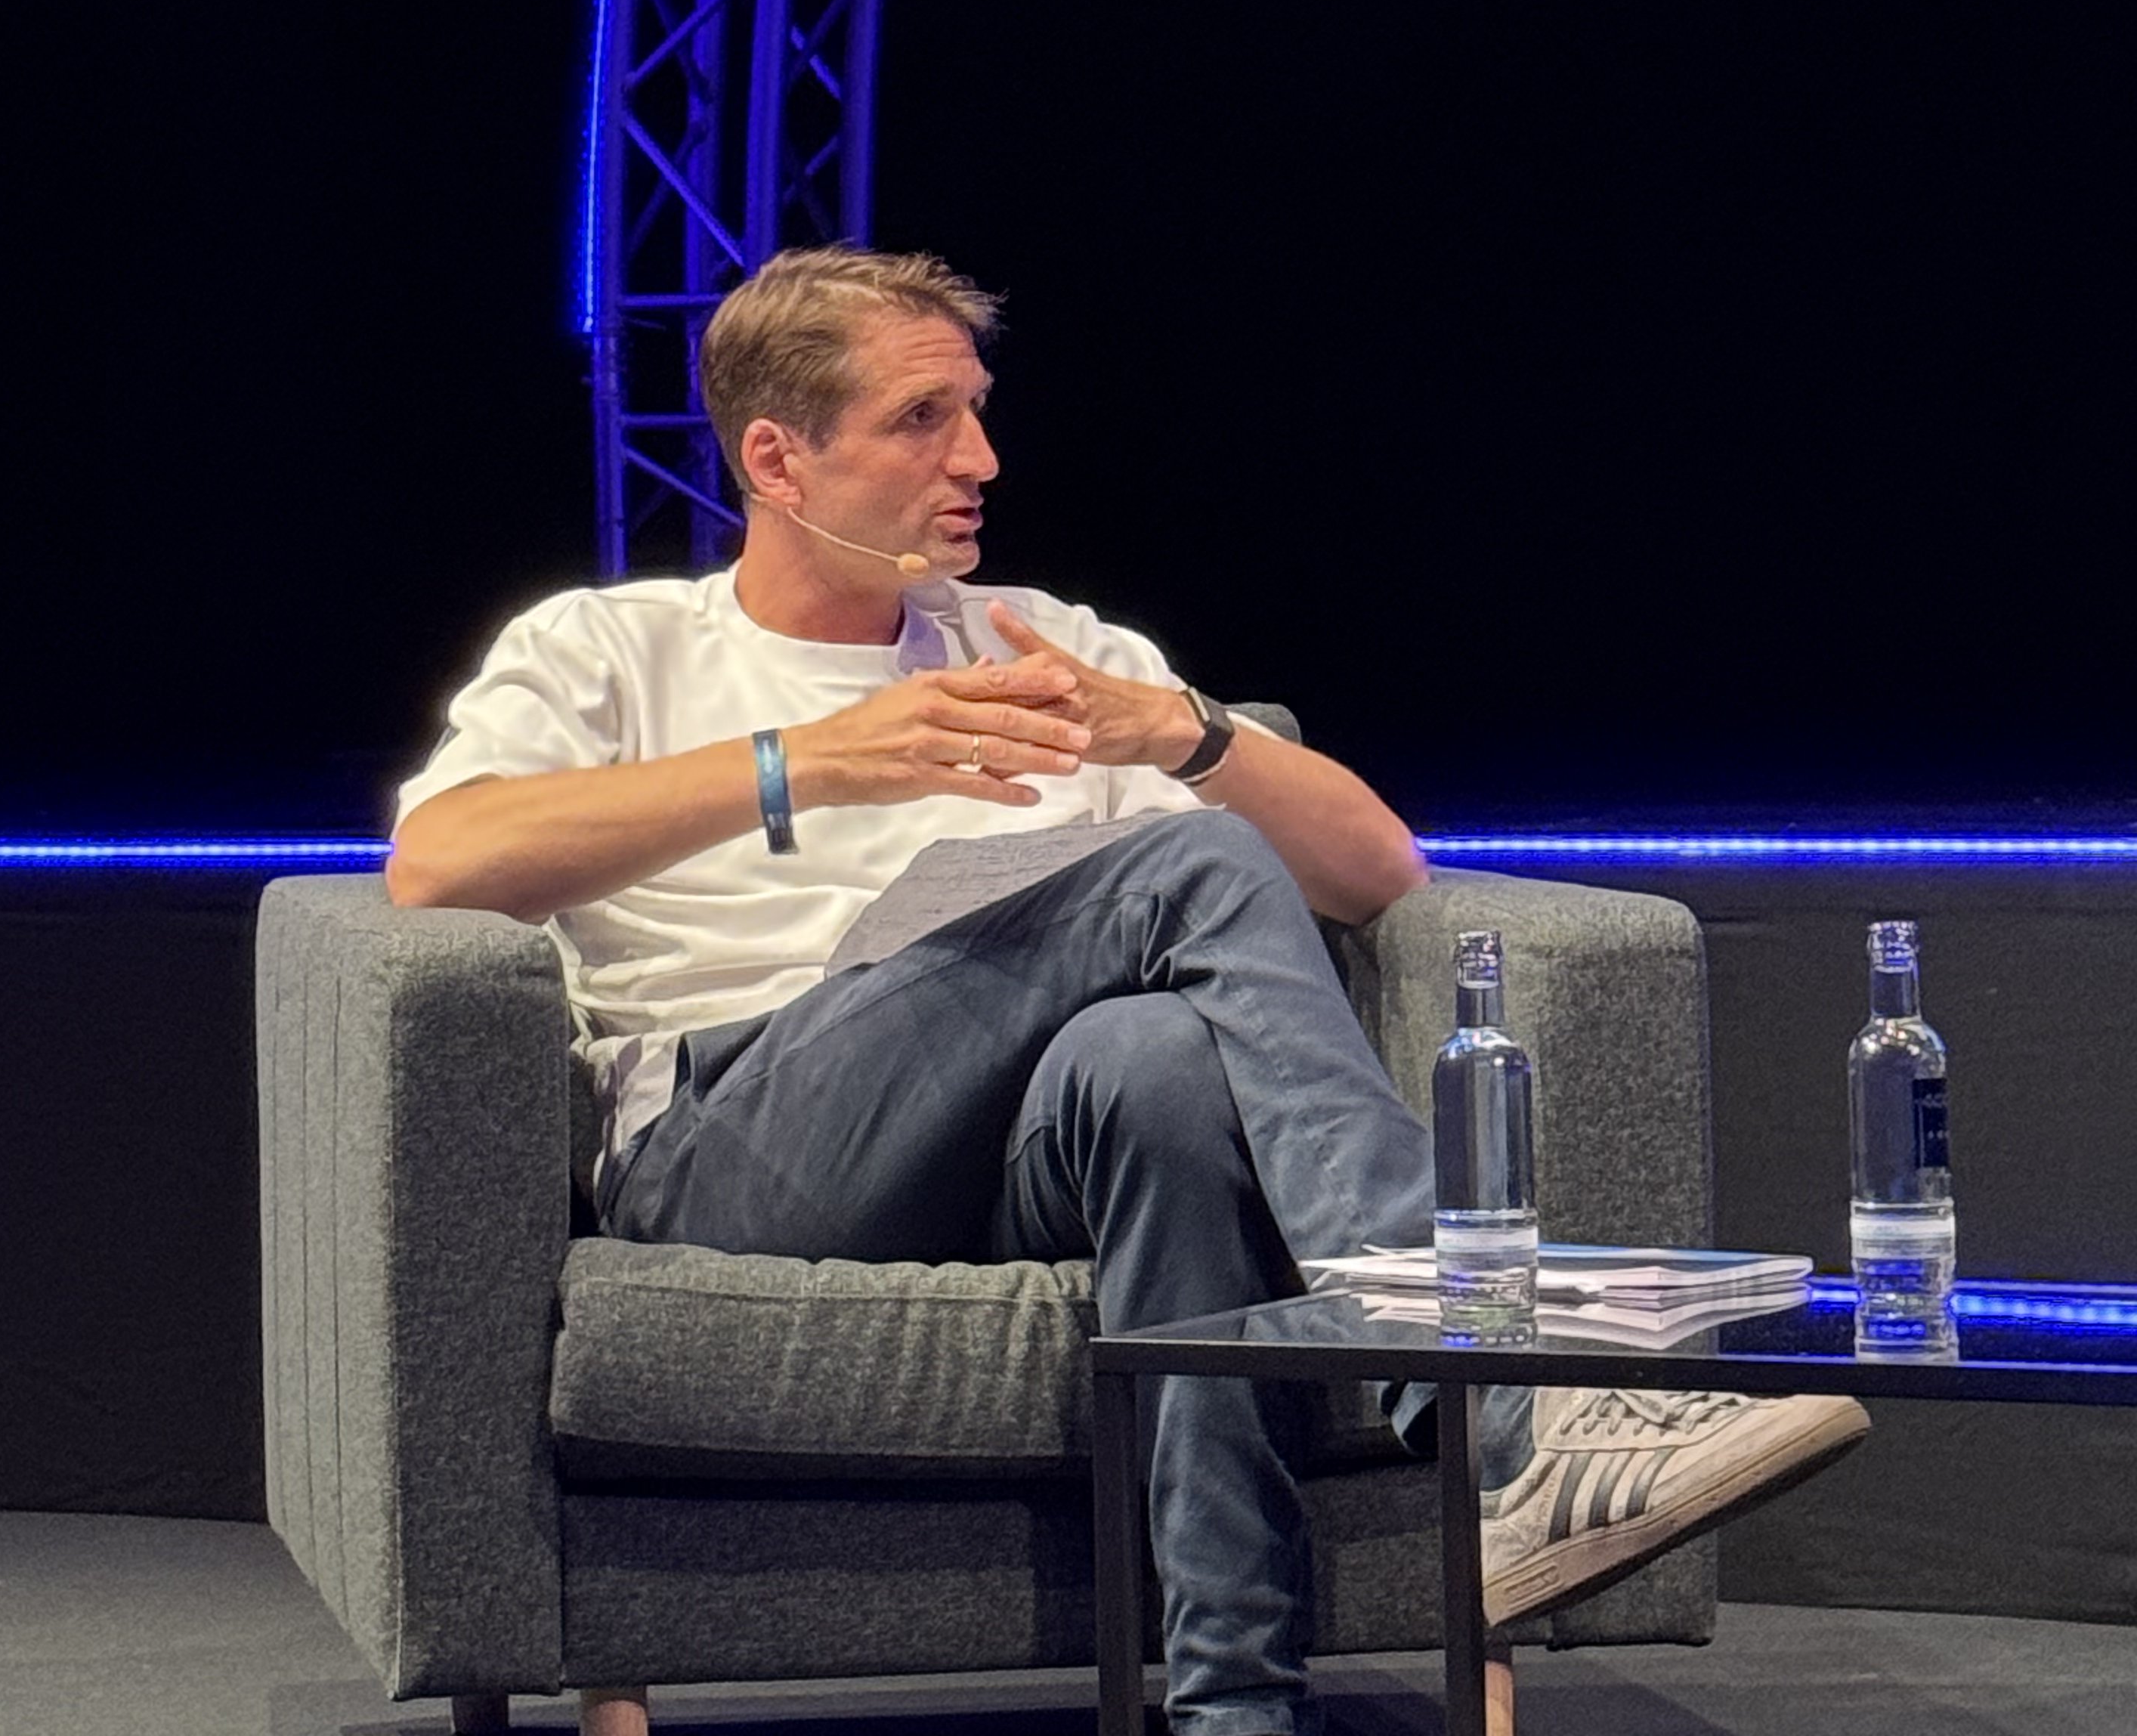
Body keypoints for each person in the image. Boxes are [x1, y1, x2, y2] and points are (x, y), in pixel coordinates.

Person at [390, 246, 1863, 1736]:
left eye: (977, 412)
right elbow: (437, 866)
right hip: (728, 1147)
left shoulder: (1047, 646)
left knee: (1161, 1071)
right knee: (1193, 873)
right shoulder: (610, 648)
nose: (980, 460)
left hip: (1005, 1160)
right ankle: (1507, 1412)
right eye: (922, 421)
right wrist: (806, 766)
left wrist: (1177, 731)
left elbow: (1381, 871)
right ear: (779, 456)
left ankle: (1233, 1706)